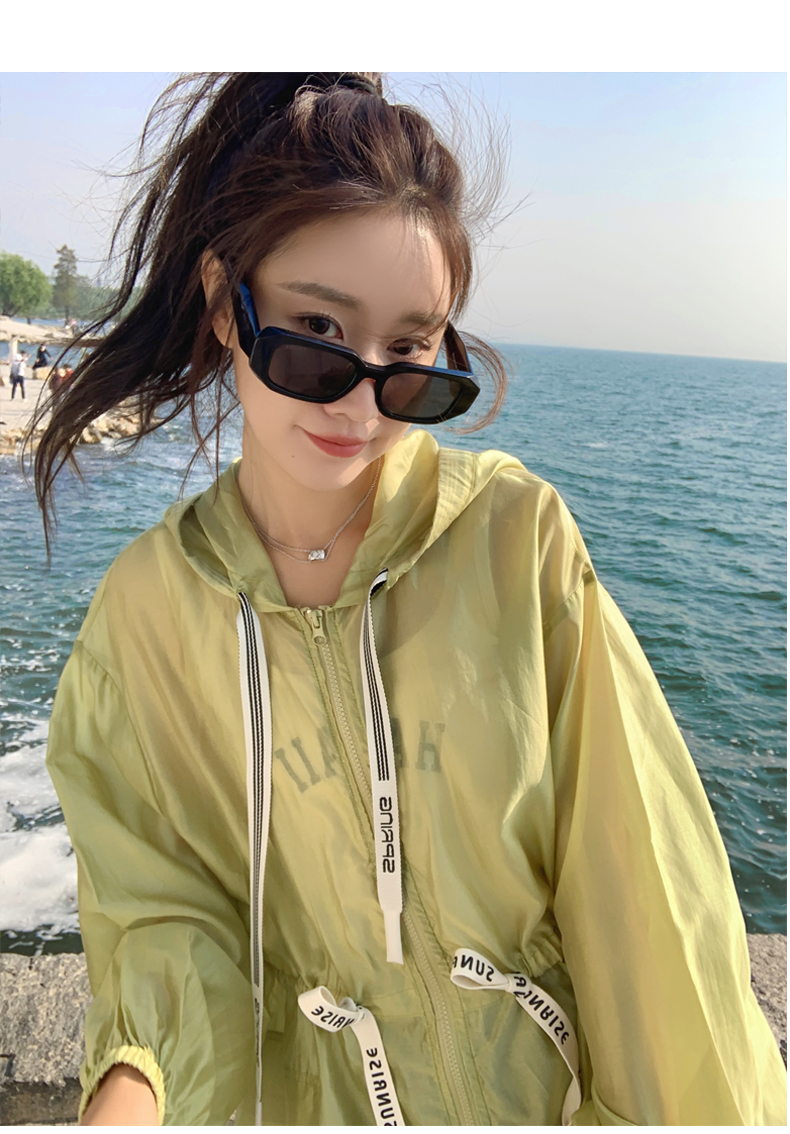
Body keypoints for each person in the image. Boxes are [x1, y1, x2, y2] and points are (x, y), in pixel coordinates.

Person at [34, 73, 785, 1127]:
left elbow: (644, 893)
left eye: (408, 352)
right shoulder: (146, 615)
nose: (359, 401)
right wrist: (130, 1086)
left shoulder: (514, 541)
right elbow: (162, 914)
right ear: (222, 303)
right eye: (314, 329)